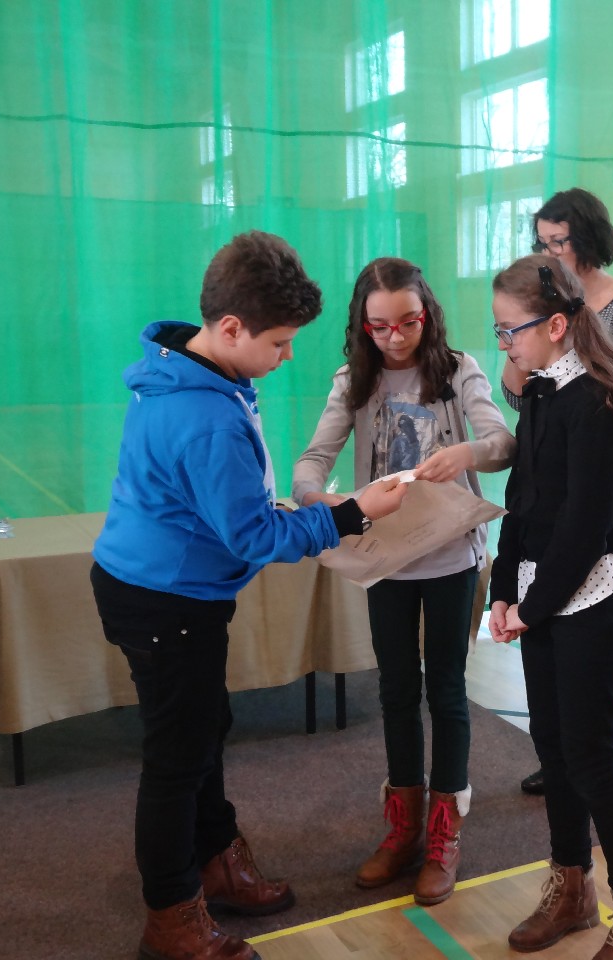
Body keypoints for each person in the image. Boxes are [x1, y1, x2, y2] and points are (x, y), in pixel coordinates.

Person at [90, 231, 409, 960]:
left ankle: (217, 863)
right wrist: (352, 514)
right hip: (165, 600)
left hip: (168, 590)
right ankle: (171, 917)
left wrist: (304, 510)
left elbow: (232, 510)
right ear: (231, 328)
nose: (288, 356)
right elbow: (254, 536)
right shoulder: (204, 415)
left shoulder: (188, 371)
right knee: (176, 762)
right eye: (281, 342)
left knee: (205, 728)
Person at [292, 256, 515, 906]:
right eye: (380, 326)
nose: (395, 337)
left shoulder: (458, 370)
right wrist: (317, 498)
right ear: (362, 326)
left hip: (449, 558)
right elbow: (312, 461)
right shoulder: (353, 382)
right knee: (394, 690)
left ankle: (445, 834)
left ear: (428, 315)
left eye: (408, 323)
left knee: (445, 690)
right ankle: (404, 828)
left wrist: (467, 452)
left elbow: (503, 444)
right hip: (386, 560)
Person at [489, 255, 613, 960]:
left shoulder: (594, 402)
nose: (504, 343)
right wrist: (504, 590)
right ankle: (571, 890)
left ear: (556, 326)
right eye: (499, 331)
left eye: (511, 330)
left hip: (593, 595)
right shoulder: (539, 393)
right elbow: (523, 502)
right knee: (553, 750)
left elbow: (587, 529)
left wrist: (531, 608)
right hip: (545, 593)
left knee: (591, 758)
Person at [505, 188, 613, 797]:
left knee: (591, 635)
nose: (550, 252)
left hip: (608, 483)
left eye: (559, 241)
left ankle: (583, 753)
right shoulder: (541, 308)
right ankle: (560, 756)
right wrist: (515, 352)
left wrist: (610, 501)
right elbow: (522, 395)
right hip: (556, 479)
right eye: (541, 241)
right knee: (550, 652)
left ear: (588, 240)